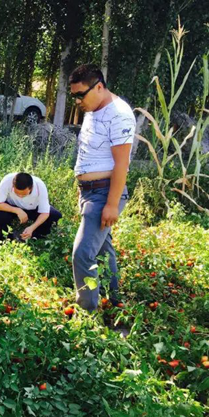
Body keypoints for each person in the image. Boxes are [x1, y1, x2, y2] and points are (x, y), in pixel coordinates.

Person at [69, 64, 135, 311]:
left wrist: (110, 203)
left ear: (99, 86)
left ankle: (86, 311)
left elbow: (121, 164)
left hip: (104, 193)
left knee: (82, 255)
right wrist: (82, 188)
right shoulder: (93, 108)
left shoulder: (118, 114)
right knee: (105, 250)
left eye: (80, 95)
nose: (77, 101)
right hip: (90, 192)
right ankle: (114, 301)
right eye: (74, 95)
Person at [0, 172, 62, 241]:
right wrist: (18, 211)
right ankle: (6, 239)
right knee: (2, 215)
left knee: (55, 216)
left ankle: (35, 238)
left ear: (31, 188)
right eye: (17, 194)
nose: (20, 196)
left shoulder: (40, 186)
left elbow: (45, 213)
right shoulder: (7, 180)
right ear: (13, 186)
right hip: (12, 206)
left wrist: (32, 228)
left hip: (33, 208)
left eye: (24, 194)